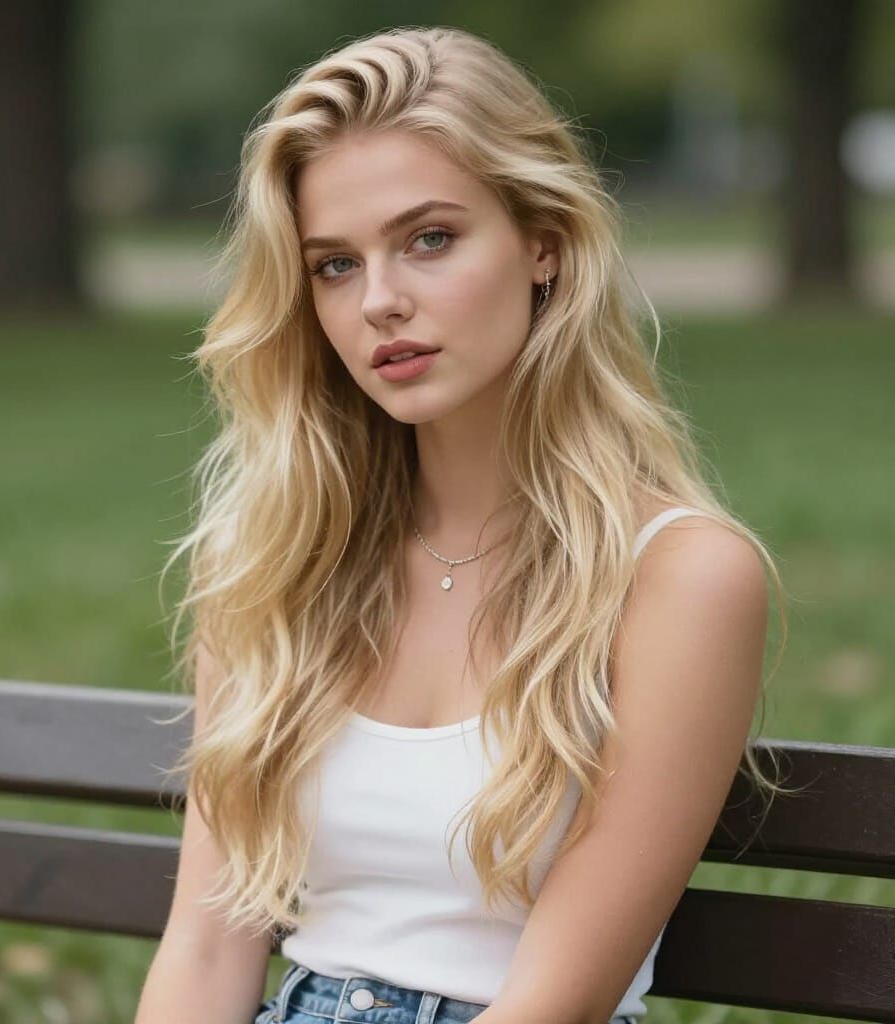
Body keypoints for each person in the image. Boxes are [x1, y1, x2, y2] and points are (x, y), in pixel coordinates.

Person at [134, 25, 792, 1024]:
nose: (380, 302)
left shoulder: (680, 577)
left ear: (543, 243)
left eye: (429, 239)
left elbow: (557, 1002)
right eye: (334, 265)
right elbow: (204, 945)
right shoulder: (273, 562)